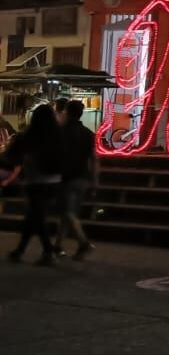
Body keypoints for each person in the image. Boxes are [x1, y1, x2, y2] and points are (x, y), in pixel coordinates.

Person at [2, 104, 66, 266]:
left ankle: (48, 252)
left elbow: (11, 156)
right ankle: (20, 251)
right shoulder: (58, 135)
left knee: (37, 216)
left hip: (35, 181)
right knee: (34, 216)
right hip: (54, 182)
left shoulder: (29, 135)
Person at [53, 99, 96, 259]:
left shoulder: (61, 131)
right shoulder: (88, 133)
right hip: (82, 176)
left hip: (66, 176)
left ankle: (83, 243)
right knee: (67, 213)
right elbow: (93, 158)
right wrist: (95, 179)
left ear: (67, 112)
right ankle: (57, 245)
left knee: (67, 212)